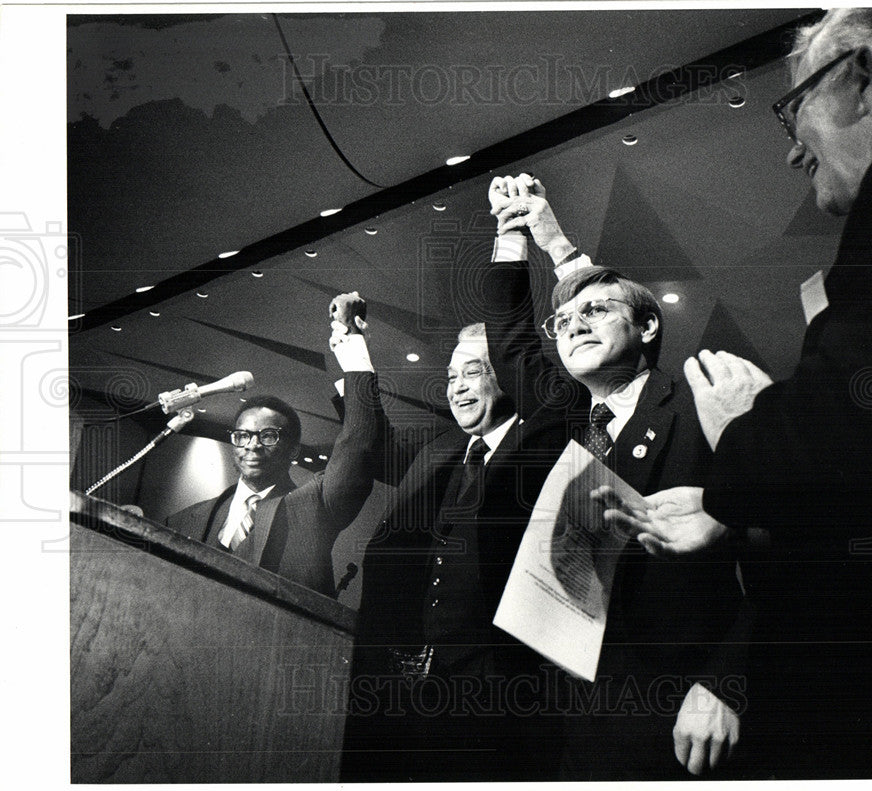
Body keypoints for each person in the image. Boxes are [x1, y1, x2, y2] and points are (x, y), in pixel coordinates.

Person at [597, 8, 872, 778]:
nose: (789, 152)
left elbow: (840, 447)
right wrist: (724, 508)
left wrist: (744, 430)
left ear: (865, 75)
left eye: (791, 106)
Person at [483, 174, 750, 779]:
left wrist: (729, 682)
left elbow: (780, 549)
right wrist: (511, 235)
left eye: (597, 311)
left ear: (648, 327)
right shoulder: (561, 418)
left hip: (672, 707)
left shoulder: (701, 404)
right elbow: (509, 339)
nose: (574, 324)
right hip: (557, 708)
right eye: (565, 320)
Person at [332, 301, 570, 782]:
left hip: (505, 689)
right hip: (416, 685)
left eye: (473, 371)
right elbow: (374, 446)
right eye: (450, 375)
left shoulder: (545, 449)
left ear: (507, 374)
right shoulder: (440, 449)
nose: (457, 385)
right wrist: (356, 352)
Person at [164, 382, 380, 596]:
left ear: (294, 451)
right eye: (242, 436)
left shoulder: (314, 509)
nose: (252, 445)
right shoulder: (182, 521)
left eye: (268, 436)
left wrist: (354, 362)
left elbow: (356, 450)